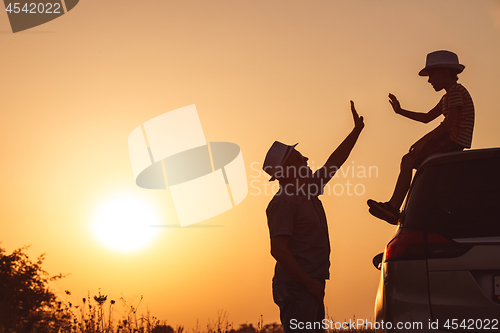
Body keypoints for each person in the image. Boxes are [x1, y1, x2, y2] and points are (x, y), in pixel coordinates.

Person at [263, 101, 364, 332]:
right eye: (299, 158)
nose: (306, 159)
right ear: (287, 171)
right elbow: (278, 250)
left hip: (309, 286)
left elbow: (334, 163)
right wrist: (308, 283)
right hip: (299, 287)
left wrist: (356, 131)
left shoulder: (306, 190)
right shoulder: (283, 202)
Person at [368, 50, 474, 224]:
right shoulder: (449, 96)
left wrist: (424, 140)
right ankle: (405, 207)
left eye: (431, 75)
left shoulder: (455, 92)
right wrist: (399, 111)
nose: (429, 80)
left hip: (453, 139)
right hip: (452, 138)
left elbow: (449, 124)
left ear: (444, 72)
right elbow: (426, 117)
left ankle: (393, 207)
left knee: (409, 160)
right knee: (422, 168)